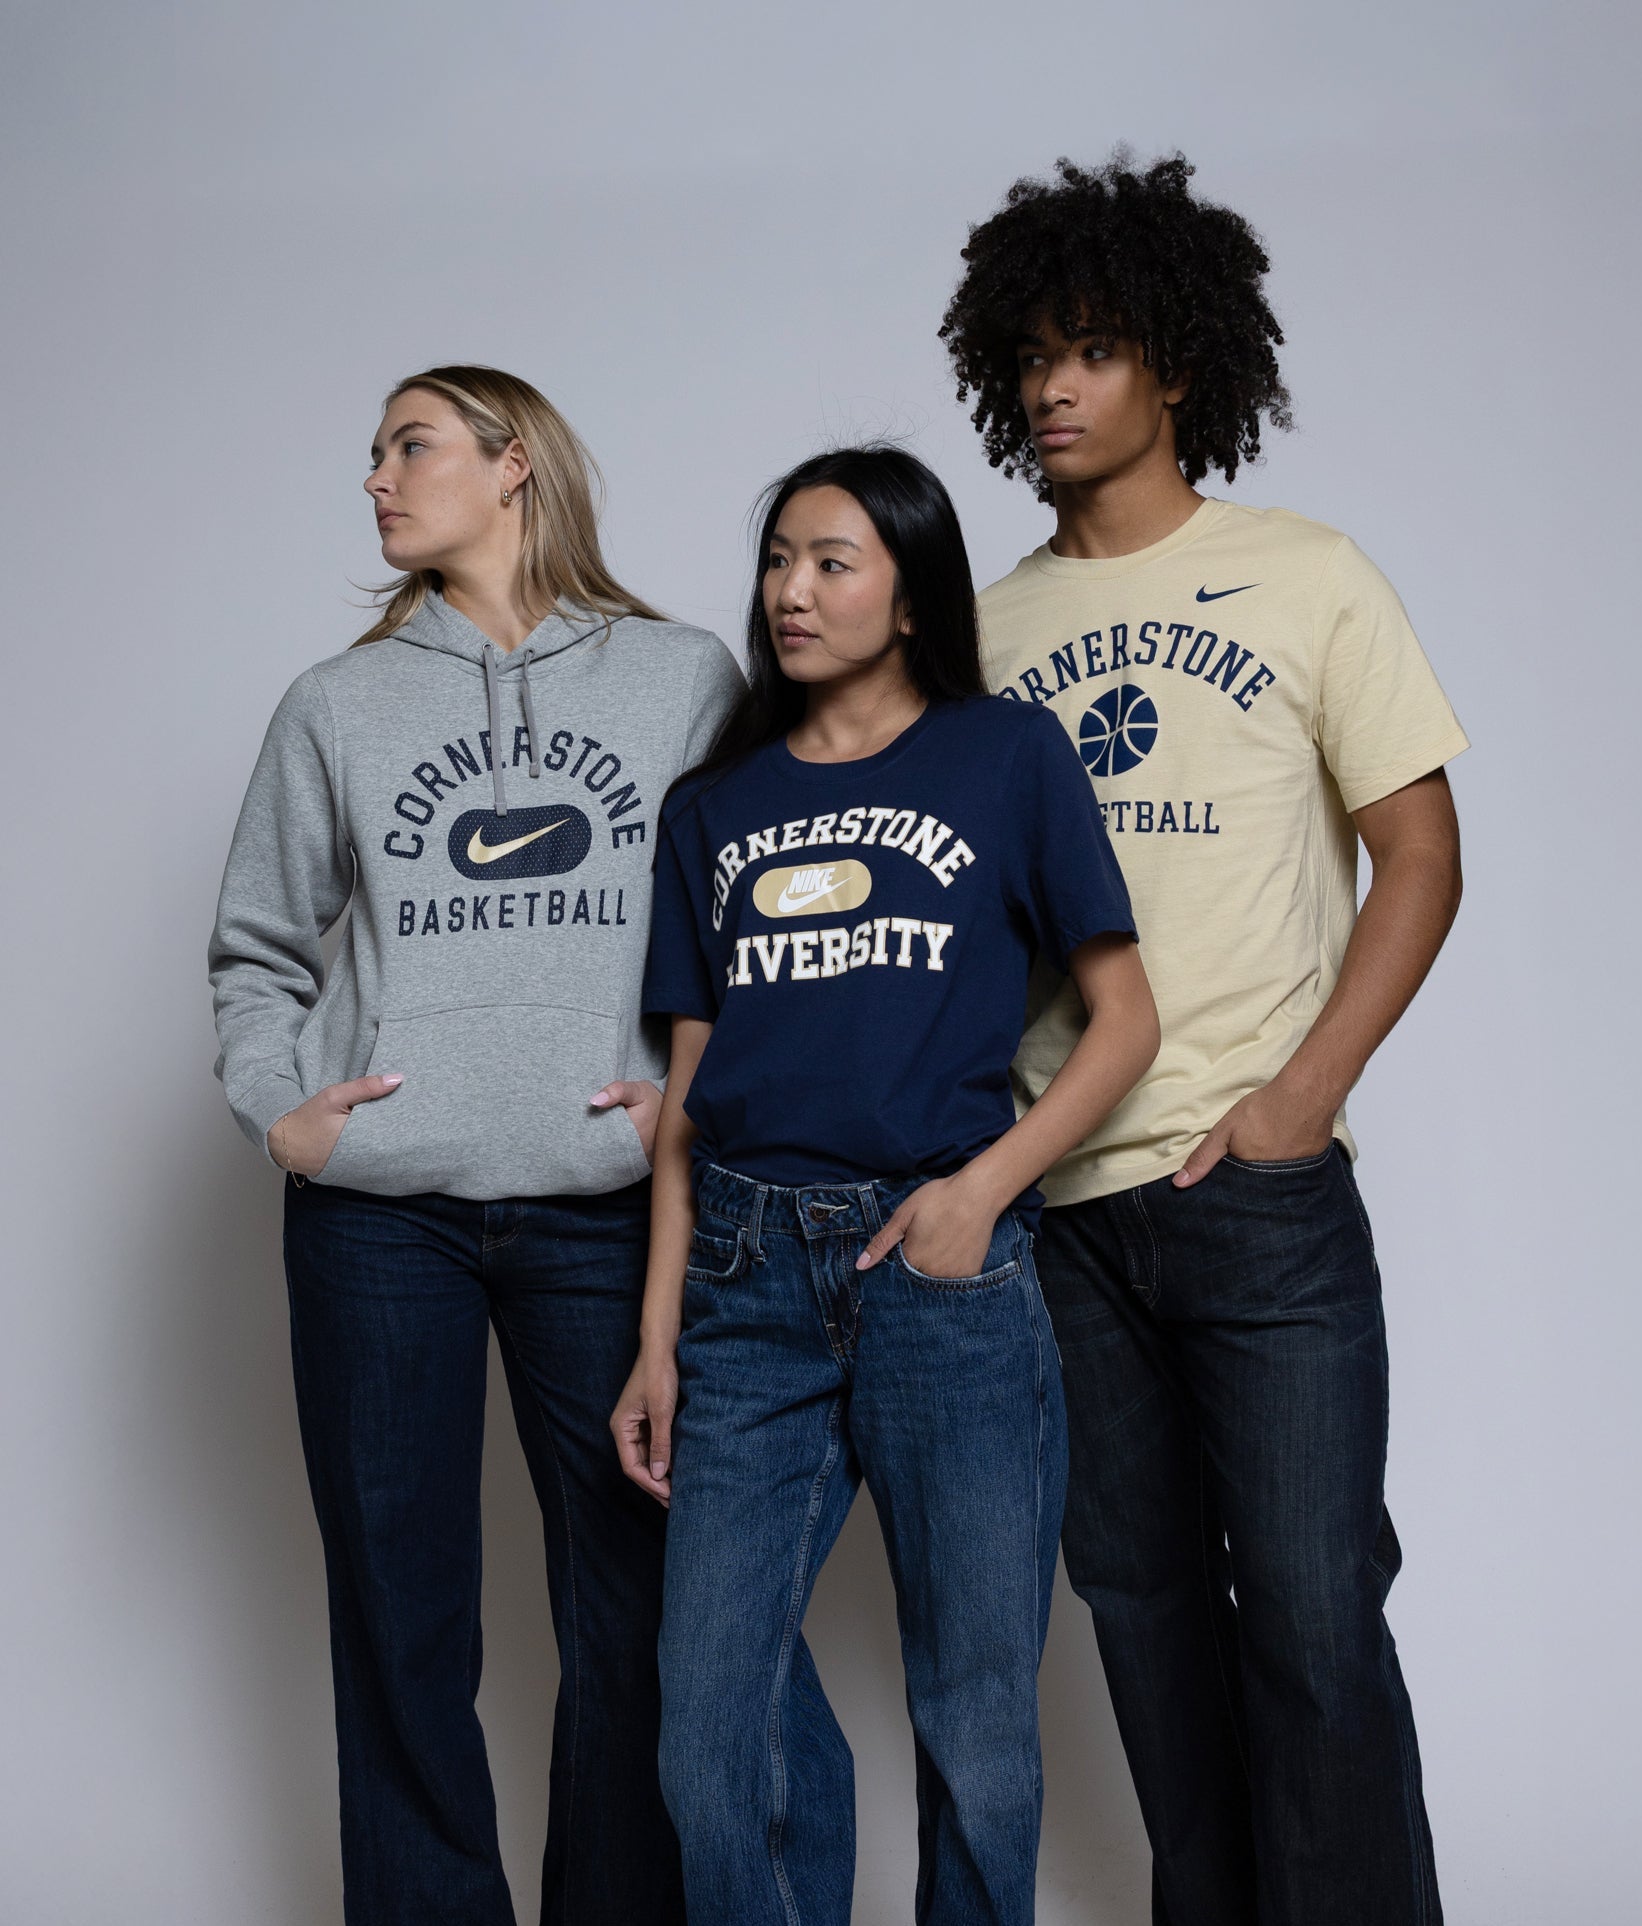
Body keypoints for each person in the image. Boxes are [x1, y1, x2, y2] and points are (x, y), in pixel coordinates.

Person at [942, 153, 1467, 1926]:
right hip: (1062, 1208)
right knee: (1144, 1610)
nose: (1051, 386)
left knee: (1314, 1608)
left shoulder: (1308, 578)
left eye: (1091, 348)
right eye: (1028, 355)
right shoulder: (982, 633)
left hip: (1256, 1192)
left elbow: (1419, 852)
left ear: (1177, 366)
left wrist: (1295, 1101)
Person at [208, 363, 742, 1926]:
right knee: (400, 1621)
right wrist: (280, 1114)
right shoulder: (338, 703)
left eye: (410, 445)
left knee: (637, 1622)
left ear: (514, 467)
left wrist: (690, 1112)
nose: (376, 477)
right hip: (385, 1224)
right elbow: (258, 946)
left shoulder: (681, 678)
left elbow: (742, 923)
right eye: (373, 453)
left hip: (602, 1215)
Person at [609, 445, 1160, 1926]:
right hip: (741, 1279)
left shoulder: (1004, 754)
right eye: (778, 558)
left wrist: (979, 1193)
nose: (791, 589)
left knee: (976, 1719)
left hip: (941, 1271)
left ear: (911, 594)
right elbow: (684, 1098)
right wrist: (657, 1338)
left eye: (831, 560)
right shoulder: (712, 805)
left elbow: (1126, 1022)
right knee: (705, 1725)